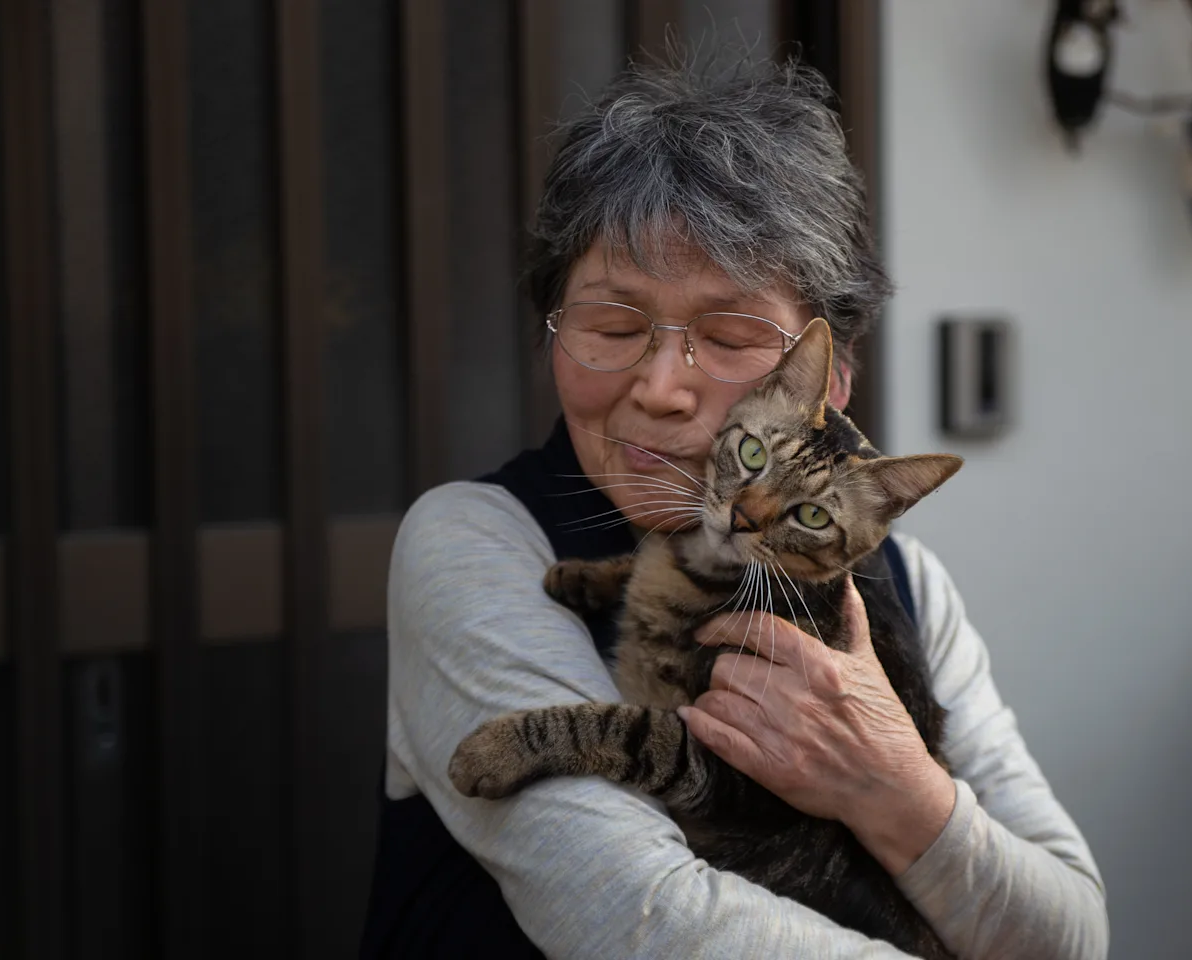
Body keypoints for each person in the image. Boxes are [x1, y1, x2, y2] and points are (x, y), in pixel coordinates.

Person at [359, 53, 1109, 959]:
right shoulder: (478, 542)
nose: (662, 387)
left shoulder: (910, 583)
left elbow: (1070, 932)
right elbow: (640, 918)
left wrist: (895, 785)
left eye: (728, 336)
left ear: (831, 379)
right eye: (611, 326)